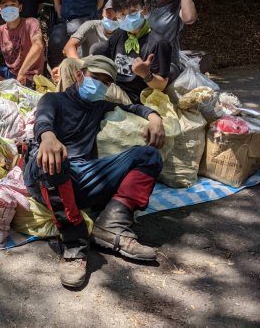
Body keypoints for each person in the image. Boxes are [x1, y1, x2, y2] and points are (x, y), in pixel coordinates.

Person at [24, 55, 165, 288]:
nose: (99, 85)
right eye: (95, 78)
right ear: (80, 75)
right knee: (51, 159)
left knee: (149, 156)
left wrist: (154, 117)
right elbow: (43, 120)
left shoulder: (100, 106)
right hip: (47, 174)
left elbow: (133, 106)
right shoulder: (54, 99)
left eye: (106, 82)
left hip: (85, 175)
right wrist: (48, 138)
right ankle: (74, 245)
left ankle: (111, 225)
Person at [99, 0, 173, 103]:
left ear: (145, 11)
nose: (127, 18)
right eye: (122, 15)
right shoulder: (120, 34)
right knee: (70, 65)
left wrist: (145, 74)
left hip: (132, 97)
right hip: (113, 86)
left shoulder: (159, 42)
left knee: (96, 88)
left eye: (133, 12)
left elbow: (161, 85)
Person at [138, 0, 197, 76]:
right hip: (139, 59)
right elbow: (120, 11)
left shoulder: (181, 2)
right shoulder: (145, 0)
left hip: (166, 62)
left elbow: (189, 18)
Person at [0, 0, 45, 86]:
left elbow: (38, 46)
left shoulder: (31, 23)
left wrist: (22, 72)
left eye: (13, 4)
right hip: (10, 73)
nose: (9, 8)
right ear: (0, 10)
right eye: (5, 6)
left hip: (29, 76)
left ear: (20, 8)